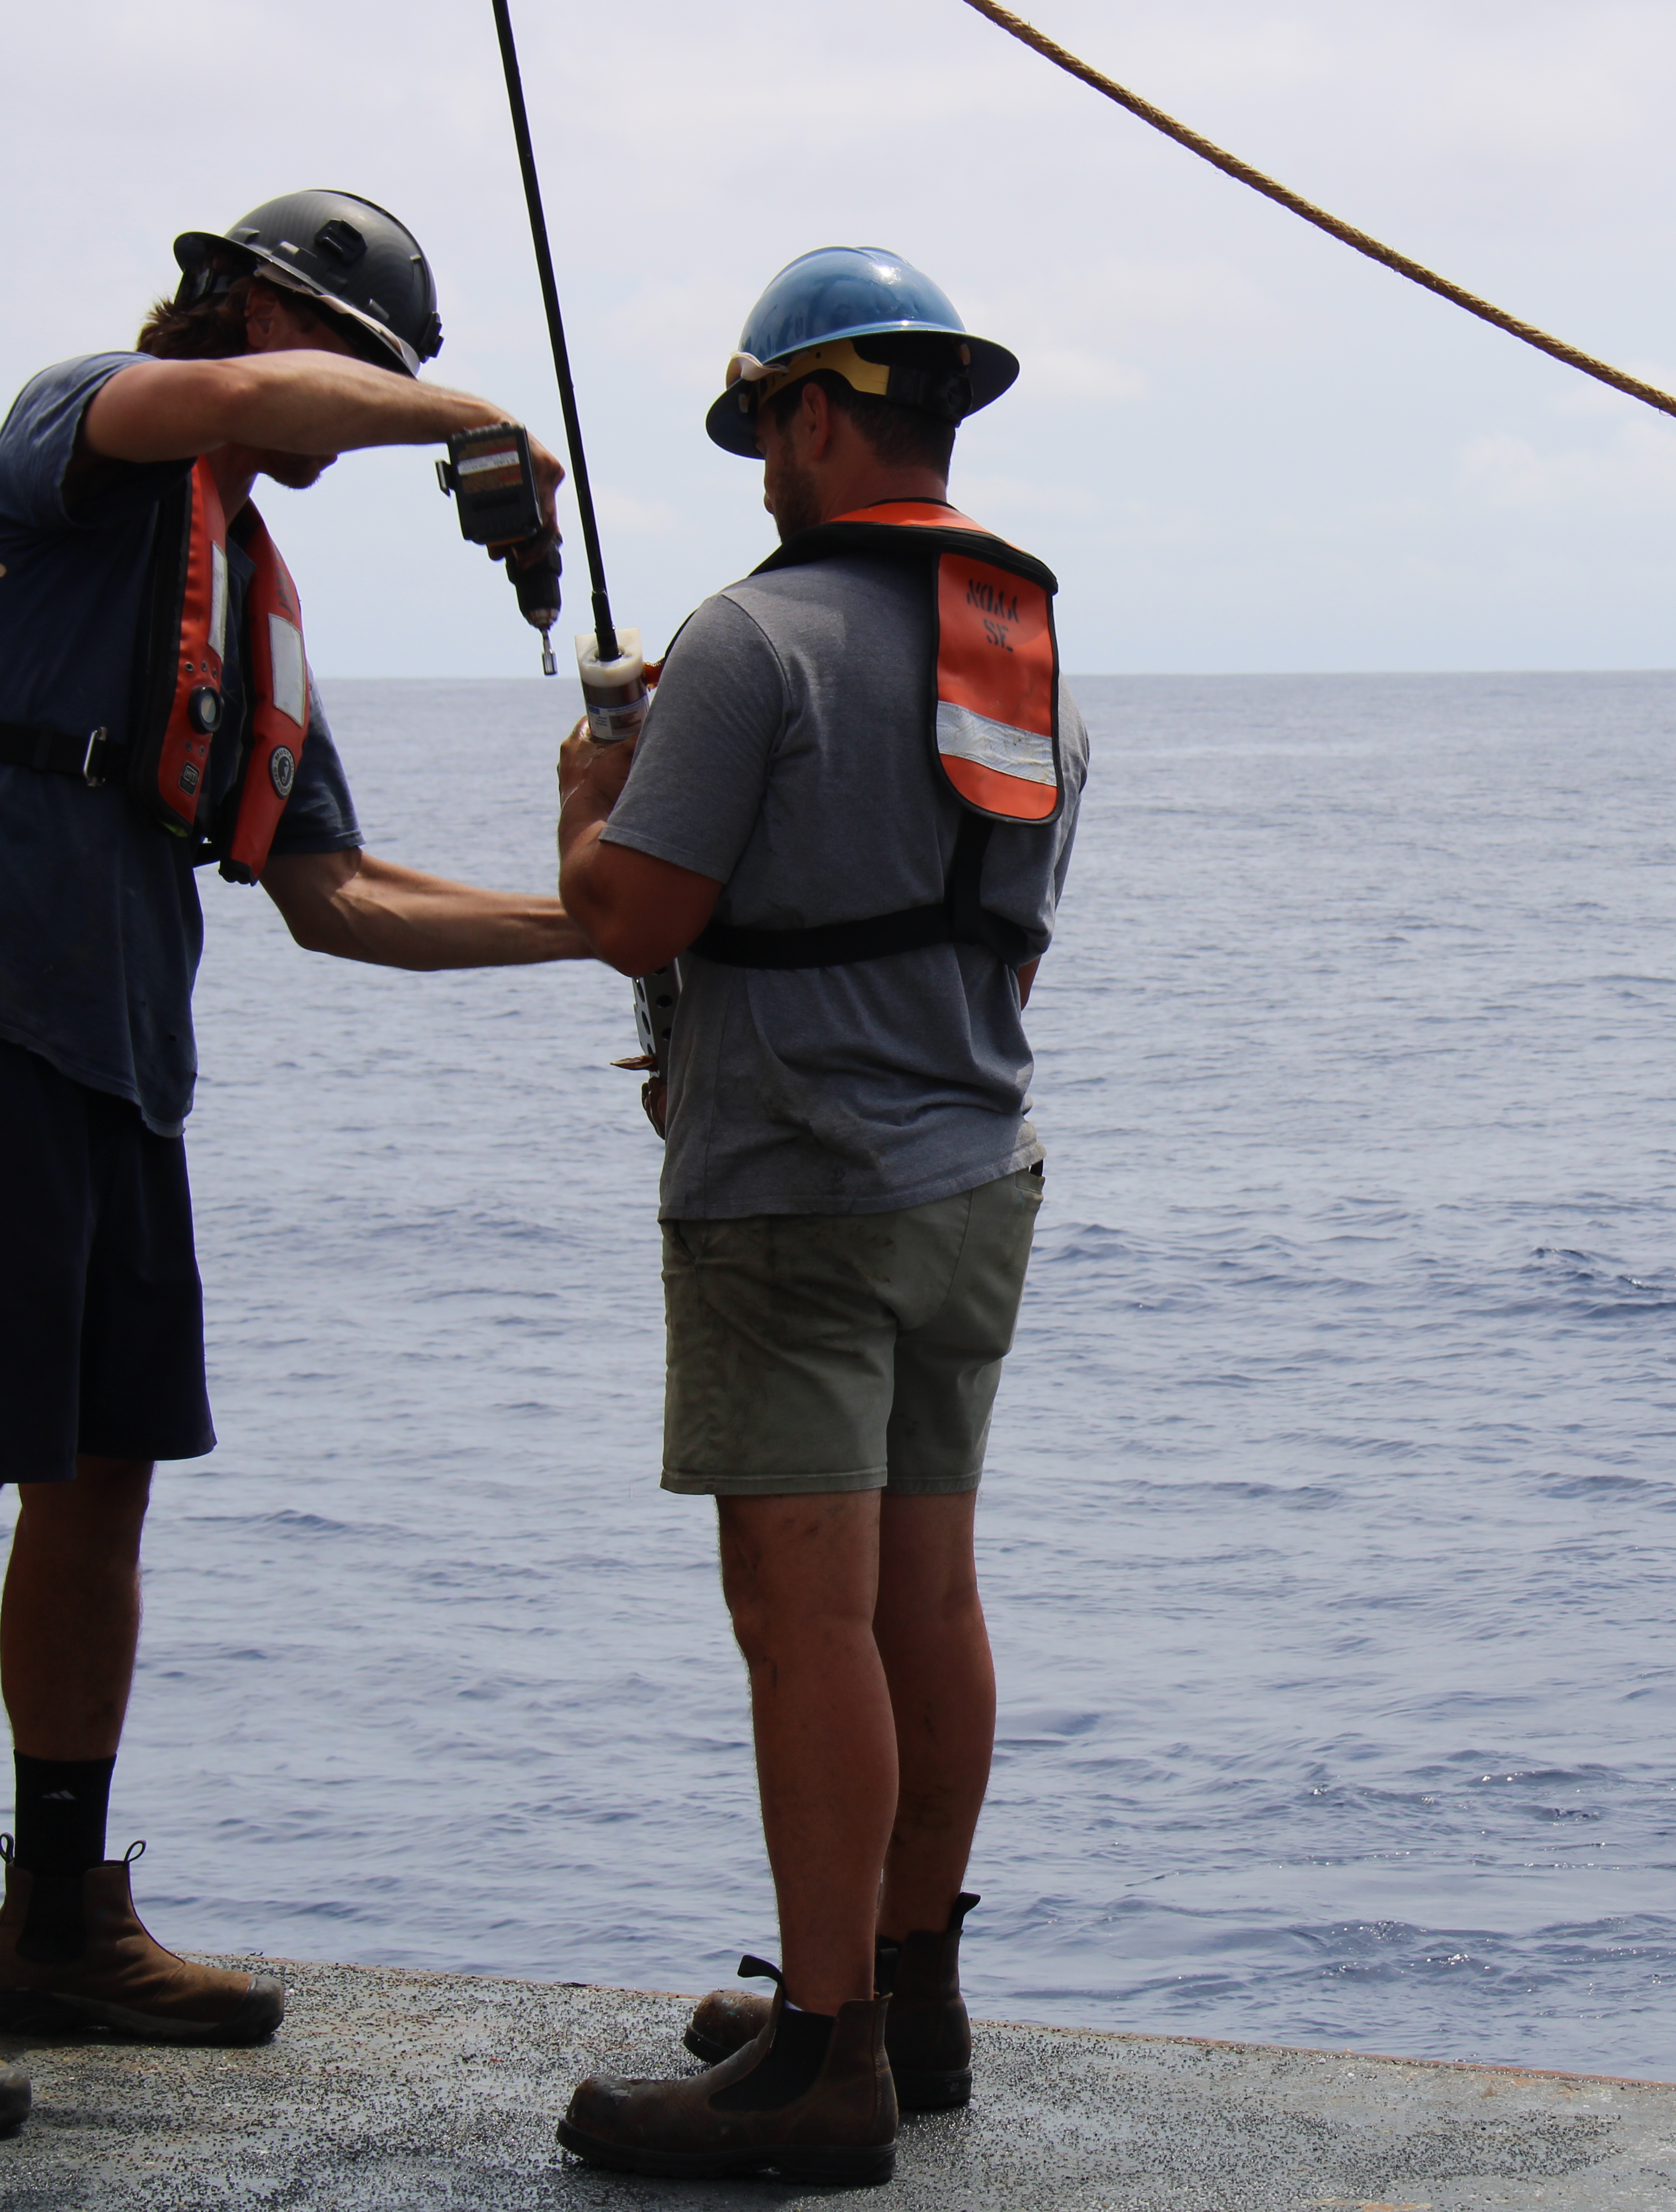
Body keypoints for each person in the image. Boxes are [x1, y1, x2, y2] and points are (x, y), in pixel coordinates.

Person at [0, 190, 591, 2140]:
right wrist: (476, 420)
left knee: (105, 1481)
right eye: (347, 369)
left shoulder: (255, 590)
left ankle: (56, 1915)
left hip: (123, 1051)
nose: (342, 416)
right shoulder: (90, 419)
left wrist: (592, 927)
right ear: (246, 313)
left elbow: (335, 894)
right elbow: (222, 390)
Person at [547, 246, 1087, 2185]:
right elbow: (993, 942)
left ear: (819, 409)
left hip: (790, 1197)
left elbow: (632, 914)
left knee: (806, 1623)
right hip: (974, 1180)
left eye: (765, 423)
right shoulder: (1021, 644)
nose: (758, 467)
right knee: (931, 1597)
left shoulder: (750, 642)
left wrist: (584, 791)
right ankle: (911, 1991)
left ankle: (823, 2058)